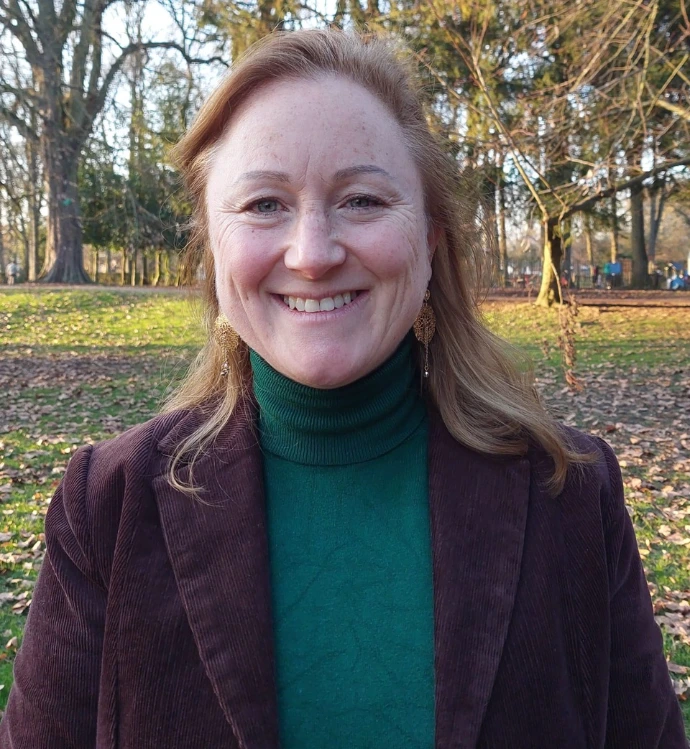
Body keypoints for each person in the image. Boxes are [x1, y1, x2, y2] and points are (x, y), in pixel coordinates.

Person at [1, 30, 687, 749]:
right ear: (212, 246)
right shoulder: (108, 507)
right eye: (263, 204)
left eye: (361, 199)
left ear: (430, 240)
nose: (313, 254)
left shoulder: (570, 494)